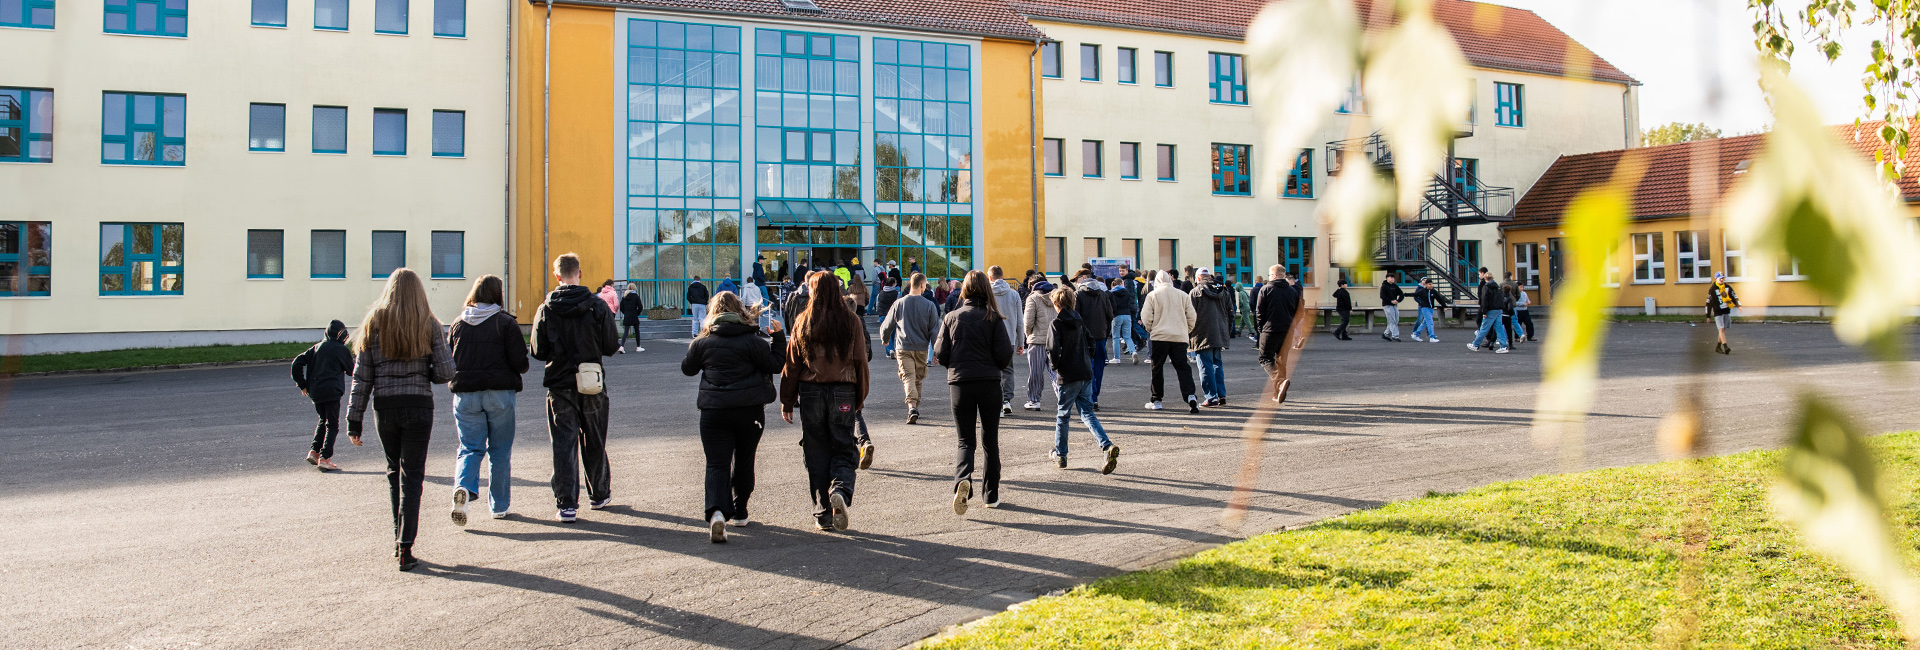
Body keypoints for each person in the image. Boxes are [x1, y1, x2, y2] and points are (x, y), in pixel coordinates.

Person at [345, 268, 456, 571]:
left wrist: (354, 421)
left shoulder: (374, 323)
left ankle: (399, 539)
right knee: (413, 477)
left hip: (386, 408)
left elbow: (361, 378)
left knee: (394, 473)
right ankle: (406, 546)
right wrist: (425, 372)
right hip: (419, 406)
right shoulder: (429, 323)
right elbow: (447, 371)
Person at [681, 291, 787, 543]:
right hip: (748, 410)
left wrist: (699, 344)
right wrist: (779, 338)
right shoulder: (753, 341)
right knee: (744, 459)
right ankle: (740, 511)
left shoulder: (703, 342)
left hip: (713, 410)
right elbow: (775, 364)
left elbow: (688, 369)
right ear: (740, 310)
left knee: (716, 463)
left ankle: (717, 512)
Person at [531, 253, 622, 523]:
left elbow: (537, 350)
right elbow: (610, 345)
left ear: (557, 276)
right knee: (594, 438)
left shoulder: (546, 309)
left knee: (563, 443)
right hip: (591, 380)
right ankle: (598, 494)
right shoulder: (597, 306)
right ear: (579, 273)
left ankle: (567, 503)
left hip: (559, 383)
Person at [779, 271, 868, 532]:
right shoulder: (851, 320)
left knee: (815, 449)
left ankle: (822, 513)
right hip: (843, 390)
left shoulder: (803, 320)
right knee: (844, 446)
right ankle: (840, 488)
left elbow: (792, 364)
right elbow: (860, 361)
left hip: (811, 392)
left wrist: (787, 401)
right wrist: (859, 397)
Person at [447, 275, 529, 524]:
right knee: (500, 451)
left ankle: (463, 487)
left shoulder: (457, 324)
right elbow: (521, 364)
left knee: (469, 448)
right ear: (498, 294)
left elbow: (450, 360)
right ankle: (499, 506)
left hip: (465, 396)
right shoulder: (505, 323)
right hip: (499, 394)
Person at [934, 270, 1016, 514]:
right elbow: (1004, 354)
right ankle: (991, 495)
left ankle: (962, 480)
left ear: (965, 290)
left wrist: (957, 365)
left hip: (960, 383)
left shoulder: (951, 317)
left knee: (965, 440)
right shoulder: (994, 319)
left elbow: (940, 352)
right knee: (990, 441)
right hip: (989, 383)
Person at [1045, 287, 1121, 474]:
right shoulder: (1080, 322)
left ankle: (1061, 454)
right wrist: (1088, 358)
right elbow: (1092, 342)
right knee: (1087, 413)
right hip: (1085, 372)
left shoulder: (1056, 323)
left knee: (1063, 415)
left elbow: (1052, 349)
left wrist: (1055, 366)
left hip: (1068, 373)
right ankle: (1106, 445)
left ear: (1056, 304)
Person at [291, 320, 354, 472]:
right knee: (332, 425)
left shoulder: (316, 348)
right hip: (332, 391)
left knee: (322, 421)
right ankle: (325, 458)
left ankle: (314, 452)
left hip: (316, 391)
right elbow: (352, 370)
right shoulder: (340, 349)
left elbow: (296, 363)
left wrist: (303, 384)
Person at [880, 273, 941, 424]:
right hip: (921, 348)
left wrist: (885, 338)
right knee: (918, 379)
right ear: (922, 285)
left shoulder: (899, 303)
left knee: (908, 377)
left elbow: (887, 325)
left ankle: (912, 408)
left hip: (903, 347)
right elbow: (934, 330)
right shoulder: (929, 305)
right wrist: (937, 351)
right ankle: (914, 406)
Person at [1140, 271, 1199, 413]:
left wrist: (1151, 329)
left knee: (1157, 368)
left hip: (1159, 337)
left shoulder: (1152, 295)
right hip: (1179, 337)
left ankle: (1157, 399)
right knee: (1182, 367)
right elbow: (1192, 317)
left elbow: (1146, 316)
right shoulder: (1183, 295)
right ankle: (1190, 395)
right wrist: (1186, 330)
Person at [1253, 264, 1302, 403]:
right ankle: (1278, 393)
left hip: (1270, 329)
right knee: (1281, 361)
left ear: (1274, 276)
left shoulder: (1266, 289)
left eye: (1269, 275)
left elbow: (1259, 312)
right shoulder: (1292, 291)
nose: (1268, 277)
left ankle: (1280, 383)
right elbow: (1299, 311)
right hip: (1288, 330)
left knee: (1264, 358)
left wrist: (1261, 329)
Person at [1188, 269, 1233, 407]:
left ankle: (1211, 396)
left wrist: (1189, 334)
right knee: (1216, 364)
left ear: (1198, 279)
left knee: (1205, 366)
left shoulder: (1195, 292)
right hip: (1219, 332)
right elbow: (1231, 313)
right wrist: (1227, 331)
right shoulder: (1223, 291)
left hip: (1202, 333)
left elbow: (1190, 315)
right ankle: (1221, 395)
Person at [986, 266, 1027, 416]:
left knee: (992, 371)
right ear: (1003, 276)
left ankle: (997, 402)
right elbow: (1020, 321)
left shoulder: (986, 294)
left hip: (990, 339)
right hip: (1009, 339)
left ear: (989, 277)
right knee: (1008, 370)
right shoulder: (1014, 294)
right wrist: (1021, 343)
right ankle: (1006, 400)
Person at [1072, 271, 1113, 408]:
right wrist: (1105, 332)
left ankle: (1087, 396)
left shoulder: (1078, 294)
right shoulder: (1103, 295)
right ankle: (1094, 397)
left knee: (1085, 368)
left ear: (1082, 281)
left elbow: (1075, 316)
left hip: (1083, 337)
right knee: (1099, 368)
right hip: (1100, 336)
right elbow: (1110, 315)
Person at [1021, 277, 1059, 411]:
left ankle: (1034, 400)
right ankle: (1062, 398)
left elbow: (1028, 321)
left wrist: (1028, 334)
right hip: (1055, 339)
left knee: (1036, 372)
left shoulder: (1033, 298)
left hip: (1037, 340)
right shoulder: (1057, 296)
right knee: (1055, 371)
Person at [1468, 267, 1511, 353]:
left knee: (1484, 328)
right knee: (1499, 328)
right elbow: (1500, 298)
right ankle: (1504, 346)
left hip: (1490, 310)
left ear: (1485, 278)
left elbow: (1484, 300)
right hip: (1498, 309)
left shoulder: (1486, 287)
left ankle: (1475, 345)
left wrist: (1484, 311)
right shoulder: (1498, 287)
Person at [1108, 275, 1139, 363]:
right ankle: (1133, 352)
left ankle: (1117, 358)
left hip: (1117, 315)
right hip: (1127, 314)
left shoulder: (1112, 293)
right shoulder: (1127, 293)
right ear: (1122, 283)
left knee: (1116, 337)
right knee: (1127, 336)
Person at [1707, 272, 1740, 354]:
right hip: (1718, 311)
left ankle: (1718, 346)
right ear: (1716, 279)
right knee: (1721, 329)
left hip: (1726, 310)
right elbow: (1708, 302)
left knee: (1722, 330)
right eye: (1720, 278)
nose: (1722, 279)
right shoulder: (1712, 289)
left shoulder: (1727, 287)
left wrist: (1738, 305)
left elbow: (1733, 296)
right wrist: (1708, 315)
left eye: (1723, 278)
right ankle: (1725, 347)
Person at [1411, 277, 1446, 343]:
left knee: (1424, 322)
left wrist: (1444, 306)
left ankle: (1416, 334)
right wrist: (1405, 294)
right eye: (1429, 284)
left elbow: (1439, 299)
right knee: (1430, 322)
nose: (1431, 285)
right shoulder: (1422, 291)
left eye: (1432, 284)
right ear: (1426, 285)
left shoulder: (1433, 291)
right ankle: (1432, 337)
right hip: (1425, 308)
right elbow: (1415, 295)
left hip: (1431, 308)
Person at [618, 282, 646, 353]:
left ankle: (622, 346)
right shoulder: (636, 296)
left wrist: (625, 312)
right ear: (634, 288)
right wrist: (637, 313)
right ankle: (638, 347)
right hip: (634, 315)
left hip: (627, 315)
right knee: (637, 331)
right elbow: (640, 306)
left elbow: (621, 307)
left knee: (626, 332)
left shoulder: (624, 297)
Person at [1378, 275, 1405, 342]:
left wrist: (1398, 301)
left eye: (1393, 277)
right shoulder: (1384, 286)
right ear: (1387, 278)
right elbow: (1382, 296)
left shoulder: (1394, 286)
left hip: (1394, 305)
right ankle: (1395, 336)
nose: (1393, 279)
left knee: (1396, 320)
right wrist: (1390, 301)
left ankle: (1386, 334)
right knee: (1392, 320)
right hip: (1387, 305)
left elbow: (1401, 294)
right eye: (1391, 278)